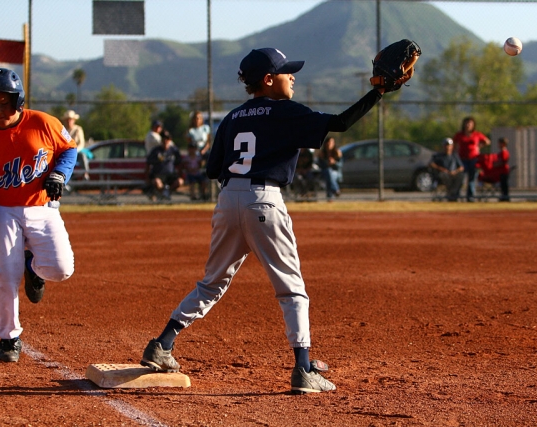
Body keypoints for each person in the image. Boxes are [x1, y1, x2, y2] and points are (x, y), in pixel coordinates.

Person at [139, 47, 390, 394]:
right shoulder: (287, 112)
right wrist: (377, 92)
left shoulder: (232, 117)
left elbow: (214, 169)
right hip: (264, 200)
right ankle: (303, 368)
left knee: (211, 282)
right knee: (291, 288)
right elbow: (340, 123)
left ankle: (162, 344)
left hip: (227, 201)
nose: (293, 77)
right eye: (288, 72)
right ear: (269, 80)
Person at [0, 67, 76, 362]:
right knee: (4, 275)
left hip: (42, 206)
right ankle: (9, 339)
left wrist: (60, 175)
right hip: (4, 211)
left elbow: (69, 150)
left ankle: (34, 269)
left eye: (4, 103)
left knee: (62, 269)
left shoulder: (42, 123)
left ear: (18, 100)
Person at [453, 117, 490, 202]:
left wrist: (479, 146)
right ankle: (457, 196)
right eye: (466, 123)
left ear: (473, 125)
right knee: (461, 177)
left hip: (474, 159)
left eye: (470, 123)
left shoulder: (477, 134)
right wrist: (456, 151)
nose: (468, 125)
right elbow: (453, 143)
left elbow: (487, 141)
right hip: (462, 159)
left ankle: (471, 197)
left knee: (472, 179)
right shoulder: (460, 135)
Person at [146, 130, 183, 201]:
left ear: (170, 140)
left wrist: (180, 174)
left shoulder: (174, 150)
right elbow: (148, 163)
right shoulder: (156, 151)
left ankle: (166, 193)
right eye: (164, 138)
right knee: (157, 182)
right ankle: (165, 195)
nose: (165, 140)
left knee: (180, 181)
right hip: (158, 175)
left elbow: (179, 163)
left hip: (170, 176)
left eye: (167, 138)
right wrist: (147, 177)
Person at [429, 137, 464, 202]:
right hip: (443, 175)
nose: (448, 147)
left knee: (461, 175)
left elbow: (461, 167)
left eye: (449, 145)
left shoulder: (454, 155)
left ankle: (452, 193)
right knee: (443, 175)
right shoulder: (439, 156)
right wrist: (442, 169)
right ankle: (451, 193)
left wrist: (455, 171)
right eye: (446, 145)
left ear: (452, 146)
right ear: (443, 146)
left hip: (453, 175)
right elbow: (431, 164)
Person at [62, 109, 89, 180]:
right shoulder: (63, 129)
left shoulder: (78, 129)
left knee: (83, 156)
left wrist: (75, 150)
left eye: (70, 119)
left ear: (74, 120)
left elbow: (81, 143)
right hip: (66, 151)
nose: (69, 121)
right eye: (67, 119)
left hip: (77, 151)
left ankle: (85, 173)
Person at [318, 136, 343, 201]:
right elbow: (320, 165)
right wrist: (326, 163)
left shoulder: (337, 153)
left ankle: (329, 197)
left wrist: (334, 162)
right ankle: (335, 190)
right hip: (324, 172)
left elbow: (340, 165)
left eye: (331, 142)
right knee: (328, 173)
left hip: (336, 172)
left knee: (329, 175)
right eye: (328, 142)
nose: (329, 144)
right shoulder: (322, 154)